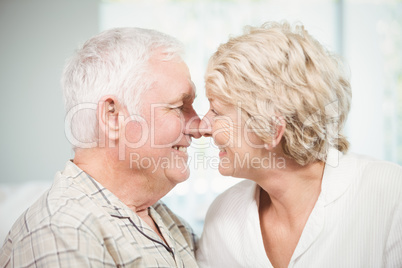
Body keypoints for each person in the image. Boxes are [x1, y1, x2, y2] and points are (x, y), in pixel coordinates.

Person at [196, 21, 402, 268]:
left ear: (272, 129)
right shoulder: (221, 217)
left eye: (216, 112)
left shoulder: (390, 195)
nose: (202, 127)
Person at [0, 27, 201, 267]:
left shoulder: (167, 221)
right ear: (113, 116)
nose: (199, 126)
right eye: (179, 106)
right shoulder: (63, 231)